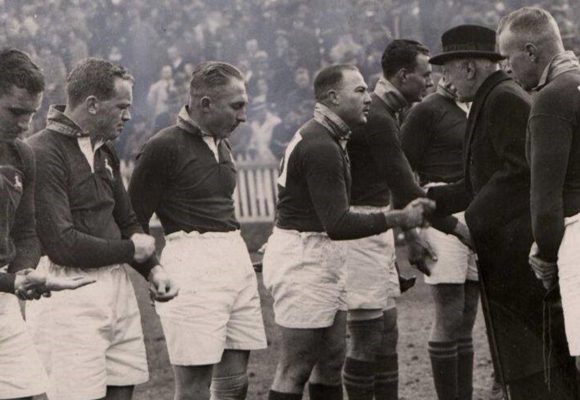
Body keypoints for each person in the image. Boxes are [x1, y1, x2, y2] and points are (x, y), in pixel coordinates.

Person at [262, 63, 435, 400]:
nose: (368, 97)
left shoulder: (328, 136)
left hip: (319, 252)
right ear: (332, 97)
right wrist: (398, 218)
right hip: (304, 257)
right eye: (359, 90)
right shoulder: (321, 145)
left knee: (331, 360)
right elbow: (338, 223)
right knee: (295, 368)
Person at [428, 24, 575, 399]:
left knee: (535, 367)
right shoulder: (490, 98)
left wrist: (472, 220)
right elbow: (481, 179)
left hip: (519, 260)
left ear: (469, 68)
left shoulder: (504, 98)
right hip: (507, 259)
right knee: (523, 365)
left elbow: (518, 170)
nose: (445, 80)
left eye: (447, 69)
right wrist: (432, 201)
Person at [26, 57, 178, 400]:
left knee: (122, 389)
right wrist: (132, 250)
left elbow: (125, 220)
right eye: (121, 106)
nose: (128, 116)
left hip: (116, 288)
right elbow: (61, 243)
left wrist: (152, 269)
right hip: (67, 290)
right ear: (92, 104)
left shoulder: (104, 148)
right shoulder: (42, 151)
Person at [128, 61, 268, 400]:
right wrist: (153, 272)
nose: (244, 116)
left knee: (235, 382)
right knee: (194, 387)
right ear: (205, 104)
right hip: (190, 265)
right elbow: (132, 222)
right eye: (237, 106)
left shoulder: (222, 142)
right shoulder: (163, 146)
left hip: (234, 260)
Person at [343, 39, 467, 400]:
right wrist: (458, 229)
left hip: (375, 225)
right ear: (403, 75)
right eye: (425, 75)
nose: (431, 82)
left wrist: (411, 234)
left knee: (387, 333)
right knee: (366, 339)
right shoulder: (379, 116)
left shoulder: (389, 111)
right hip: (359, 230)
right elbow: (406, 186)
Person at [0, 47, 95, 400]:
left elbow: (26, 230)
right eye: (15, 111)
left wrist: (23, 274)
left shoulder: (21, 153)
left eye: (32, 113)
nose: (25, 124)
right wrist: (12, 282)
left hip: (4, 300)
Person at [499, 4, 580, 387]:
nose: (506, 68)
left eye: (509, 57)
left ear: (530, 52)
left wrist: (545, 254)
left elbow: (545, 199)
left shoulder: (551, 99)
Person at [400, 77, 479, 400]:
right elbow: (403, 172)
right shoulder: (426, 111)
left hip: (475, 212)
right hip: (441, 214)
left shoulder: (474, 106)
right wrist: (415, 227)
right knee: (449, 312)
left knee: (468, 314)